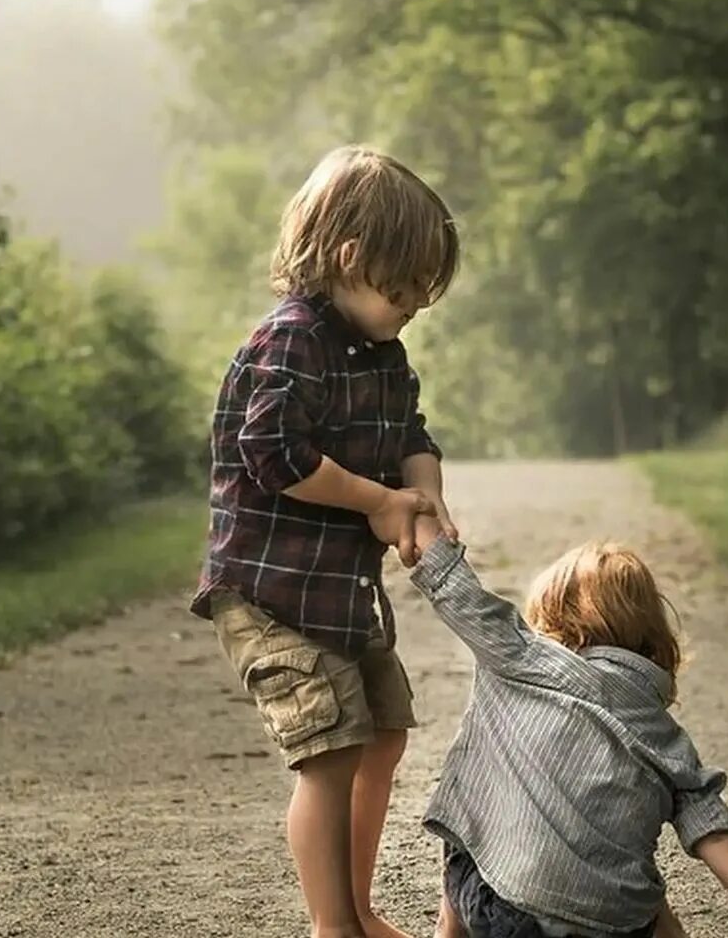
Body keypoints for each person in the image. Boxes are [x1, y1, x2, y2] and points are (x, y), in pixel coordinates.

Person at [190, 145, 460, 938]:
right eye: (404, 290)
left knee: (383, 736)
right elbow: (273, 456)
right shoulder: (289, 341)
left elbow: (411, 433)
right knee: (332, 752)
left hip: (343, 594)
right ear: (351, 259)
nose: (412, 308)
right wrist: (378, 500)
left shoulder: (384, 352)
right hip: (272, 595)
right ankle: (330, 925)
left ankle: (357, 905)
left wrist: (425, 500)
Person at [407, 520, 728, 938]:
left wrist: (425, 529)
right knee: (630, 881)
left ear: (555, 620)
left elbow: (464, 598)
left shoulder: (529, 660)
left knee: (471, 819)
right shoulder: (664, 733)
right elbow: (715, 835)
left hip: (512, 918)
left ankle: (447, 931)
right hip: (617, 927)